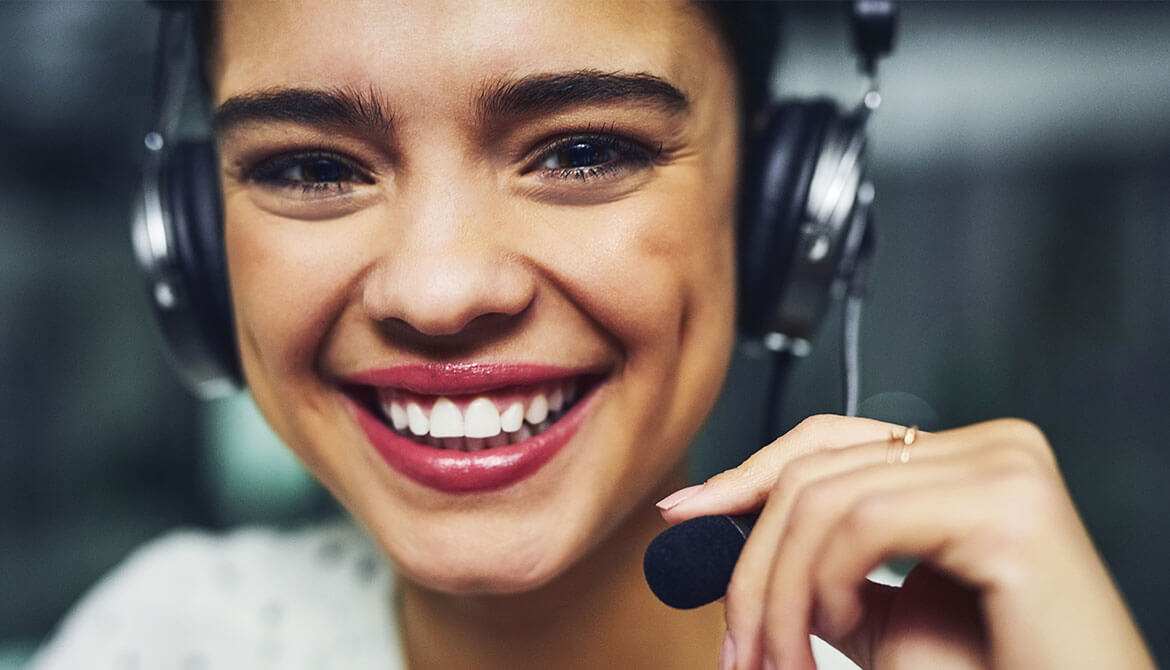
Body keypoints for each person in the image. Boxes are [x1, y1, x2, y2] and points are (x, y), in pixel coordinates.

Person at [33, 2, 1156, 669]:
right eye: (311, 166)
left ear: (779, 209)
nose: (439, 288)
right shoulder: (166, 637)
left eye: (582, 151)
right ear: (188, 238)